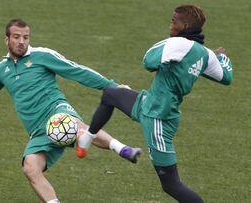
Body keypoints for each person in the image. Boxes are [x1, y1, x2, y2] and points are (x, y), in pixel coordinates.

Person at [0, 19, 141, 203]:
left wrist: (112, 86)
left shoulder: (42, 55)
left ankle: (123, 150)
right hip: (38, 131)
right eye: (17, 37)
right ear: (6, 40)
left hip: (56, 110)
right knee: (30, 168)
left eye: (26, 37)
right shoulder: (0, 70)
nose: (22, 42)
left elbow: (76, 71)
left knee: (75, 127)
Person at [77, 4, 233, 203]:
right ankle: (87, 138)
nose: (170, 24)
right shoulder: (206, 54)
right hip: (149, 103)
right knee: (110, 95)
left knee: (171, 184)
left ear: (184, 25)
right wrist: (222, 57)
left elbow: (148, 60)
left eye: (173, 21)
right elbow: (226, 76)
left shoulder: (178, 44)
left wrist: (165, 57)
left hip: (157, 119)